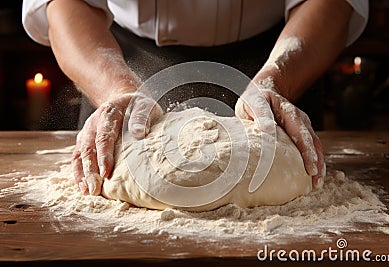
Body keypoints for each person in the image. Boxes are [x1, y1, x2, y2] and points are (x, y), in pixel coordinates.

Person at [22, 0, 368, 196]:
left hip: (280, 58)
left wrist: (278, 80)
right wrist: (116, 89)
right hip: (114, 60)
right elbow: (64, 4)